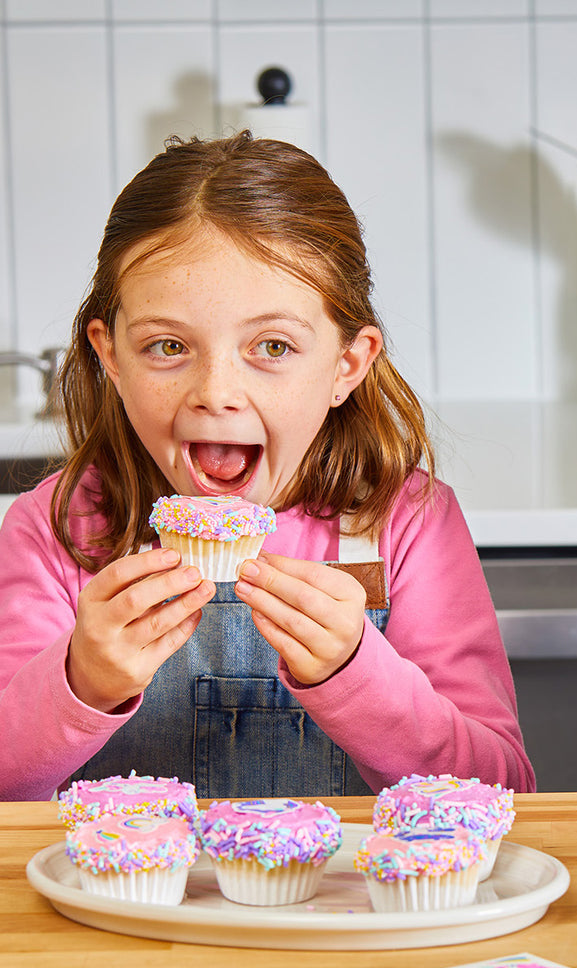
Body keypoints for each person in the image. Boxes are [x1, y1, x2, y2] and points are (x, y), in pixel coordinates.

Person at [0, 132, 534, 801]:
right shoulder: (56, 531)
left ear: (346, 363)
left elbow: (504, 790)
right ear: (111, 357)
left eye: (272, 346)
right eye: (168, 345)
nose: (216, 391)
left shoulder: (401, 526)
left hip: (342, 908)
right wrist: (81, 682)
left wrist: (357, 672)